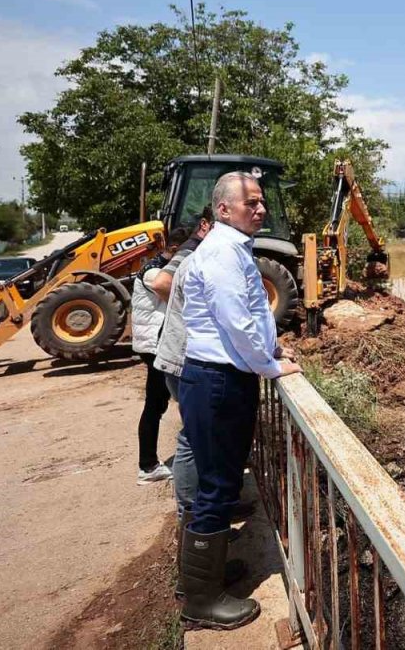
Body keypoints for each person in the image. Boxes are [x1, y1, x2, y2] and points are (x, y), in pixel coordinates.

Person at [177, 172, 301, 630]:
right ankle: (201, 601)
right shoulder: (224, 253)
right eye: (251, 202)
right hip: (218, 381)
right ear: (224, 209)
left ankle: (201, 577)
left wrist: (271, 351)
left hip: (217, 378)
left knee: (219, 482)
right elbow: (237, 321)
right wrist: (270, 366)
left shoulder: (231, 248)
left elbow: (250, 317)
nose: (260, 209)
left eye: (261, 201)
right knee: (217, 487)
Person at [152, 206, 215, 512]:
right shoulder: (191, 252)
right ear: (205, 224)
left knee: (201, 434)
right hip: (182, 358)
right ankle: (190, 512)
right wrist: (190, 315)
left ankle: (205, 505)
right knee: (194, 435)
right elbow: (161, 283)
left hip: (180, 356)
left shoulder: (199, 252)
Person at [132, 225, 193, 484]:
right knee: (156, 405)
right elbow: (179, 297)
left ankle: (149, 464)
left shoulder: (158, 266)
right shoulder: (154, 272)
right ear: (176, 250)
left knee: (157, 403)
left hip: (156, 344)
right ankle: (148, 466)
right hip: (156, 346)